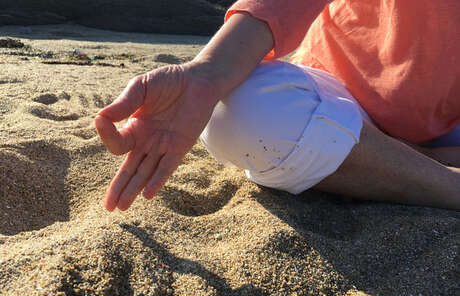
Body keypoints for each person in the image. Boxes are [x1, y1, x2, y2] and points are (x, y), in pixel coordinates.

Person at [95, 0, 460, 212]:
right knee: (237, 110)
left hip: (446, 125)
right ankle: (443, 182)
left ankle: (404, 161)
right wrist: (205, 75)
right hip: (336, 96)